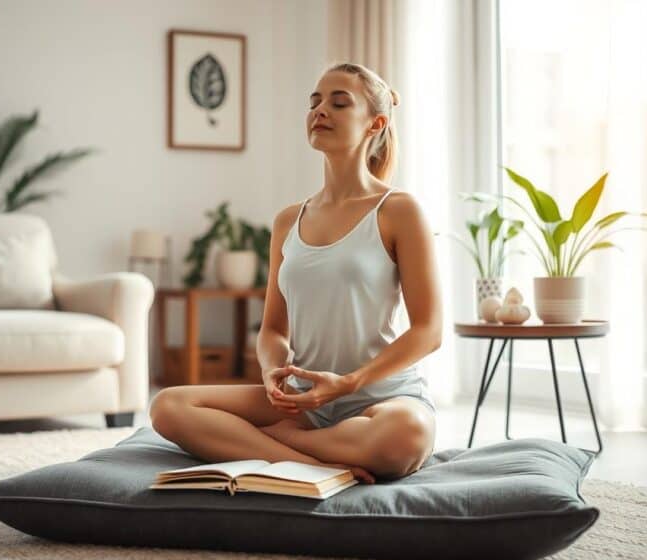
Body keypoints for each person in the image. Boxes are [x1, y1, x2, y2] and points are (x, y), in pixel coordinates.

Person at [149, 62, 443, 483]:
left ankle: (270, 444)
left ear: (374, 124)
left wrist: (347, 384)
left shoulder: (399, 210)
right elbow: (273, 330)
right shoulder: (289, 220)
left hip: (383, 399)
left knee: (404, 438)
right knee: (168, 406)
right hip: (304, 403)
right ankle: (314, 465)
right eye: (315, 102)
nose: (320, 110)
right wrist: (272, 373)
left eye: (339, 102)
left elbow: (429, 331)